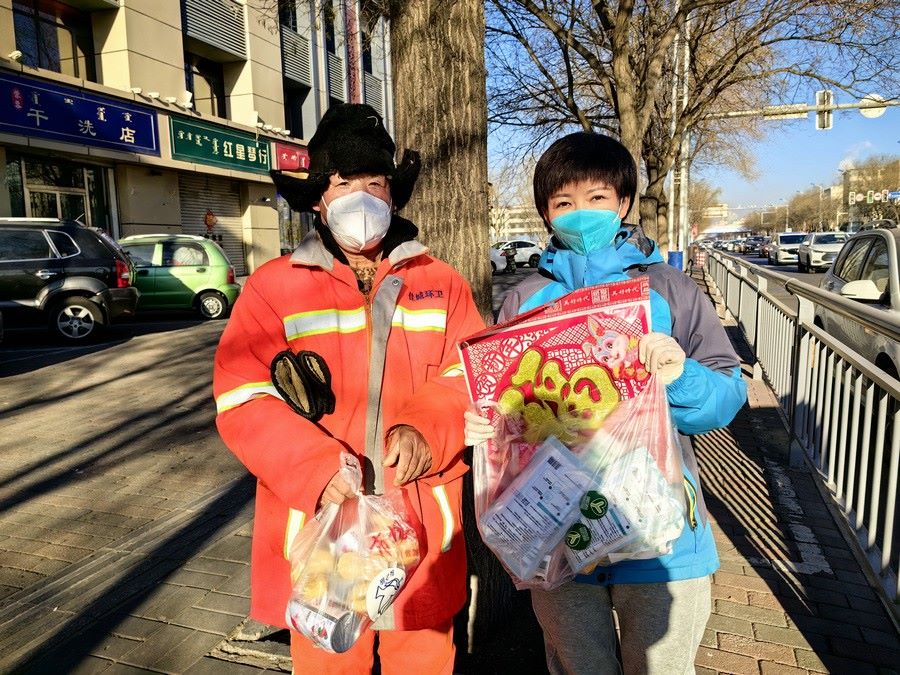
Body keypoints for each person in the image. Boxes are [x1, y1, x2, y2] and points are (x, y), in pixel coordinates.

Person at [214, 103, 485, 674]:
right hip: (323, 533)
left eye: (375, 183)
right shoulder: (272, 289)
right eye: (343, 183)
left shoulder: (442, 283)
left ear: (394, 196)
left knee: (424, 663)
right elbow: (242, 396)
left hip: (419, 523)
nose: (361, 197)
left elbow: (469, 373)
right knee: (328, 665)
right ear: (318, 196)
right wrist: (314, 469)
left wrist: (426, 431)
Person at [464, 131, 748, 675]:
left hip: (659, 528)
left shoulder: (670, 289)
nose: (581, 213)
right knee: (578, 666)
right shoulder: (523, 299)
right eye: (563, 202)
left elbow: (727, 393)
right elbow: (506, 403)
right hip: (558, 529)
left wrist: (680, 378)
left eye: (596, 197)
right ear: (546, 214)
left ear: (623, 203)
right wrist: (485, 420)